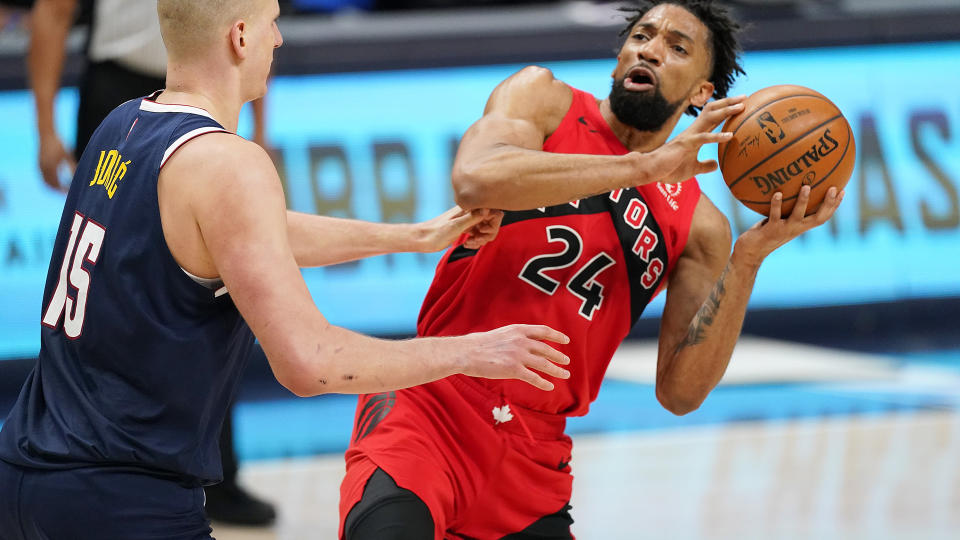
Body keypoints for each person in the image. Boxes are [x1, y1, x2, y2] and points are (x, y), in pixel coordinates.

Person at [0, 1, 574, 538]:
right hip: (121, 499)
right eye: (272, 20)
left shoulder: (121, 124)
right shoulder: (229, 164)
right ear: (240, 35)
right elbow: (312, 363)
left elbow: (247, 235)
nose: (278, 37)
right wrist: (471, 352)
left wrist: (413, 237)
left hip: (24, 474)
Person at [337, 1, 845, 538]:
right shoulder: (544, 100)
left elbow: (680, 393)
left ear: (702, 92)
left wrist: (747, 260)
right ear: (619, 57)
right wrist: (640, 167)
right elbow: (475, 178)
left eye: (677, 47)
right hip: (432, 405)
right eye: (642, 36)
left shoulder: (700, 226)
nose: (650, 48)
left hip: (532, 455)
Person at [27, 0, 275, 524]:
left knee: (205, 283)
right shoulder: (119, 121)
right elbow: (52, 13)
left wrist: (258, 124)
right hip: (119, 87)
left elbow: (249, 26)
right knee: (128, 290)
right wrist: (45, 125)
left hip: (205, 84)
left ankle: (213, 473)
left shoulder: (240, 51)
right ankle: (105, 459)